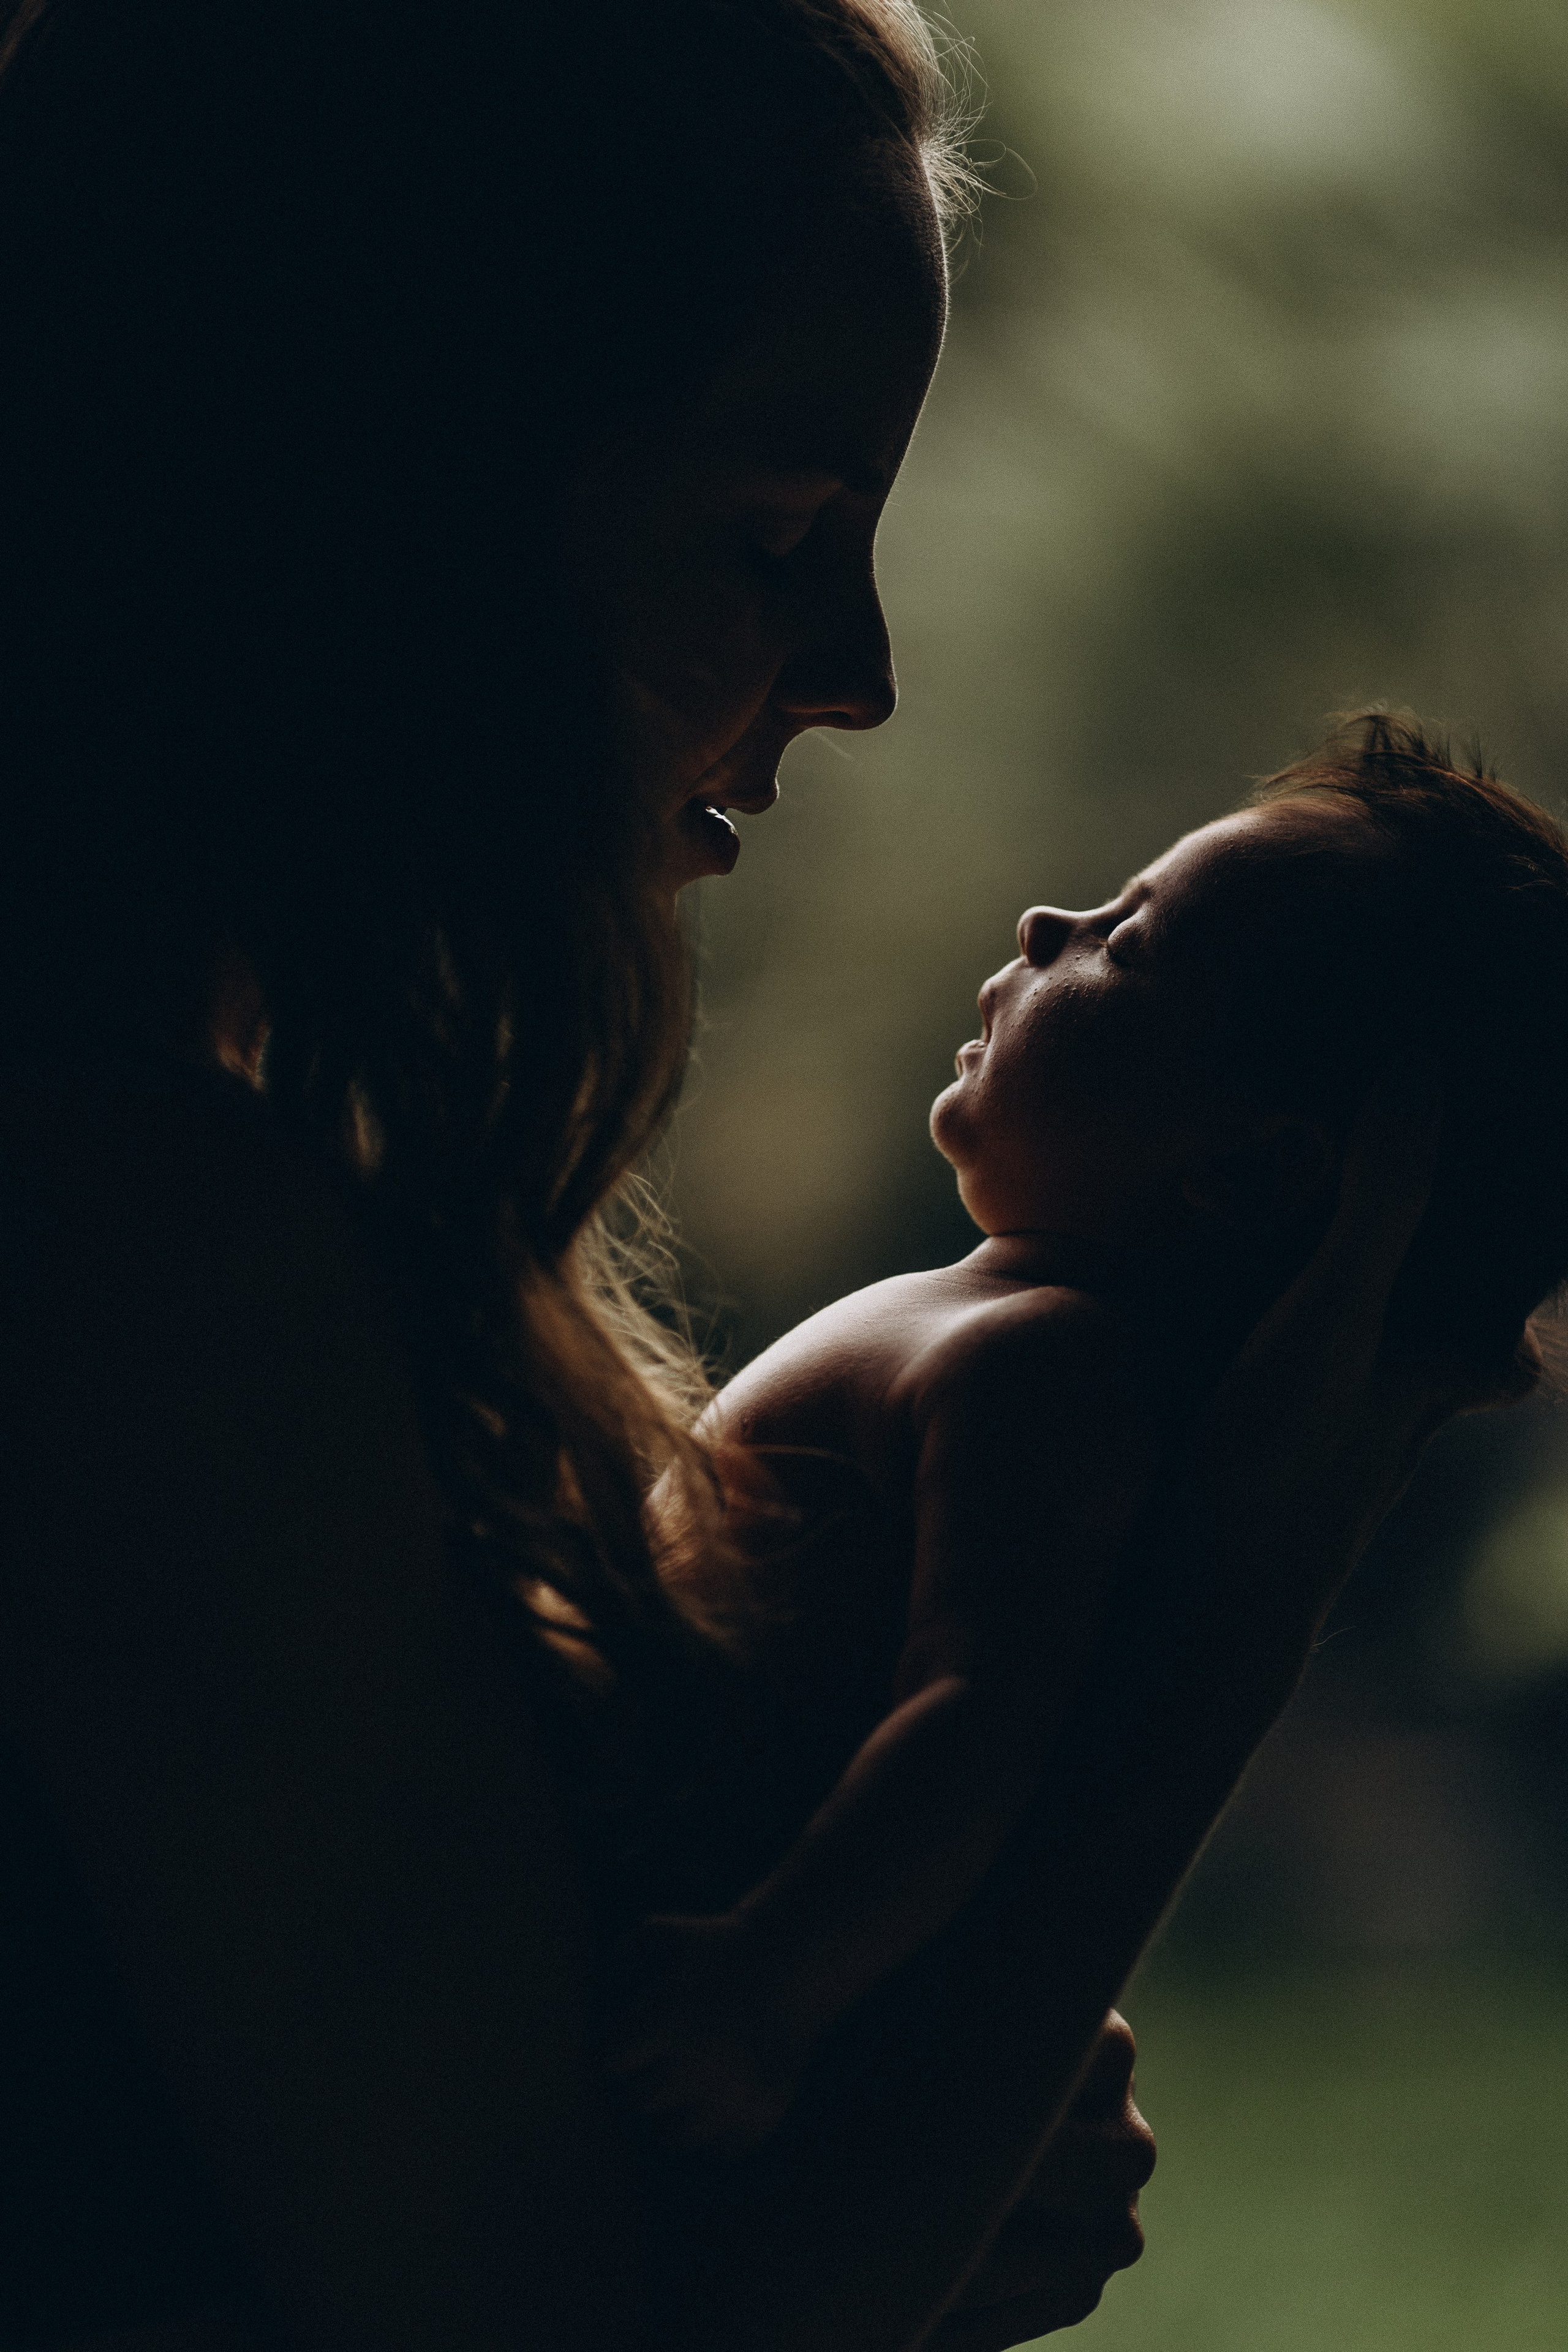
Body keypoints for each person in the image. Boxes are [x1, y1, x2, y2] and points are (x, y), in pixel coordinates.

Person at [0, 1, 1486, 2345]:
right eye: (773, 531)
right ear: (387, 500)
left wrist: (900, 2140)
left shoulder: (233, 1175)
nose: (865, 670)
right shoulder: (134, 1258)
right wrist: (1213, 1642)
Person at [610, 712, 1568, 2154]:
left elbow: (975, 1719)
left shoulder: (1037, 1368)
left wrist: (769, 1979)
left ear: (1246, 1165)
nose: (1044, 917)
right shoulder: (986, 1332)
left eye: (1123, 944)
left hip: (678, 1957)